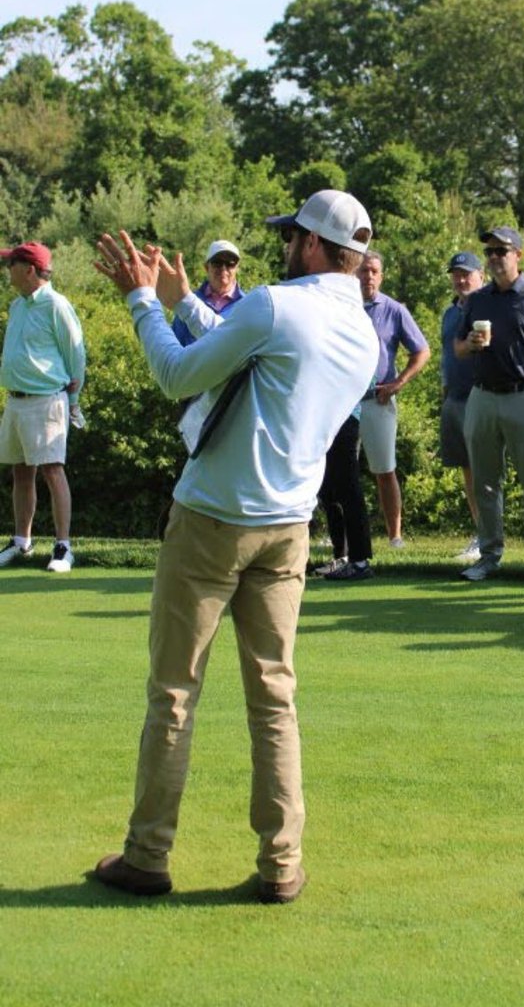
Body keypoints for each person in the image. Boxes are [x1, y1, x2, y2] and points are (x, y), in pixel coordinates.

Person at [89, 189, 379, 904]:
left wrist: (142, 301)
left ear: (315, 245)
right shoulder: (366, 334)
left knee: (174, 692)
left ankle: (147, 856)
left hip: (212, 520)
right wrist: (187, 303)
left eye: (293, 236)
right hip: (288, 530)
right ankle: (282, 865)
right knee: (274, 699)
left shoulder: (275, 304)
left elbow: (177, 374)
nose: (286, 245)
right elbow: (255, 349)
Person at [455, 226, 524, 585]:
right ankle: (489, 556)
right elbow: (458, 347)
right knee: (485, 484)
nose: (494, 257)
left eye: (501, 251)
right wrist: (470, 344)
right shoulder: (477, 299)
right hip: (483, 396)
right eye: (489, 252)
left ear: (518, 255)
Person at [0, 241, 85, 573]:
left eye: (11, 264)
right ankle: (22, 541)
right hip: (16, 400)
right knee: (20, 472)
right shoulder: (17, 305)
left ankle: (63, 547)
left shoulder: (56, 305)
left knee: (52, 470)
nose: (7, 270)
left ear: (29, 270)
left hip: (47, 399)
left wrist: (73, 402)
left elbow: (75, 354)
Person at [358, 250, 431, 547]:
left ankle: (394, 536)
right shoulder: (341, 305)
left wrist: (399, 382)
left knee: (384, 470)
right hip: (341, 401)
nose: (368, 276)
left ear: (381, 276)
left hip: (378, 399)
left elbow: (422, 351)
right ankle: (344, 535)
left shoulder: (393, 310)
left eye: (374, 271)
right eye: (364, 270)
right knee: (337, 469)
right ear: (354, 273)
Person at [440, 251, 485, 560]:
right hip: (453, 398)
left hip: (481, 396)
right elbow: (447, 356)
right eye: (456, 274)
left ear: (481, 275)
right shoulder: (450, 313)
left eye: (467, 274)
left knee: (484, 469)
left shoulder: (487, 309)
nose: (461, 279)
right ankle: (480, 531)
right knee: (467, 469)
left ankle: (488, 535)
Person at [310, 402, 375, 582]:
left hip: (345, 418)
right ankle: (341, 558)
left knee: (349, 489)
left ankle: (360, 562)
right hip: (323, 420)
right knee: (327, 492)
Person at [171, 239, 244, 346]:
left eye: (230, 263)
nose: (223, 268)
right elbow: (176, 344)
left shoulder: (246, 305)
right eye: (217, 263)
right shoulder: (188, 302)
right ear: (206, 267)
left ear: (237, 268)